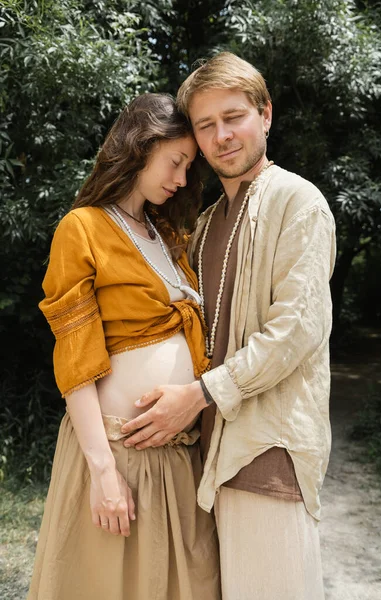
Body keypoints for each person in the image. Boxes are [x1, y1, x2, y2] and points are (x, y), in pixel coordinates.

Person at [121, 53, 336, 600]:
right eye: (205, 125)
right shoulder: (206, 221)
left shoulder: (298, 202)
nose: (222, 136)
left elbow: (294, 331)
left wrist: (197, 394)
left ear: (265, 115)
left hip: (267, 453)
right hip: (203, 458)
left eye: (233, 116)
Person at [27, 93, 220, 600]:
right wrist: (104, 472)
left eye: (187, 167)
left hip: (177, 457)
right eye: (175, 161)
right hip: (118, 451)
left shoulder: (168, 234)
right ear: (141, 145)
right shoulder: (83, 227)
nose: (180, 179)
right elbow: (76, 365)